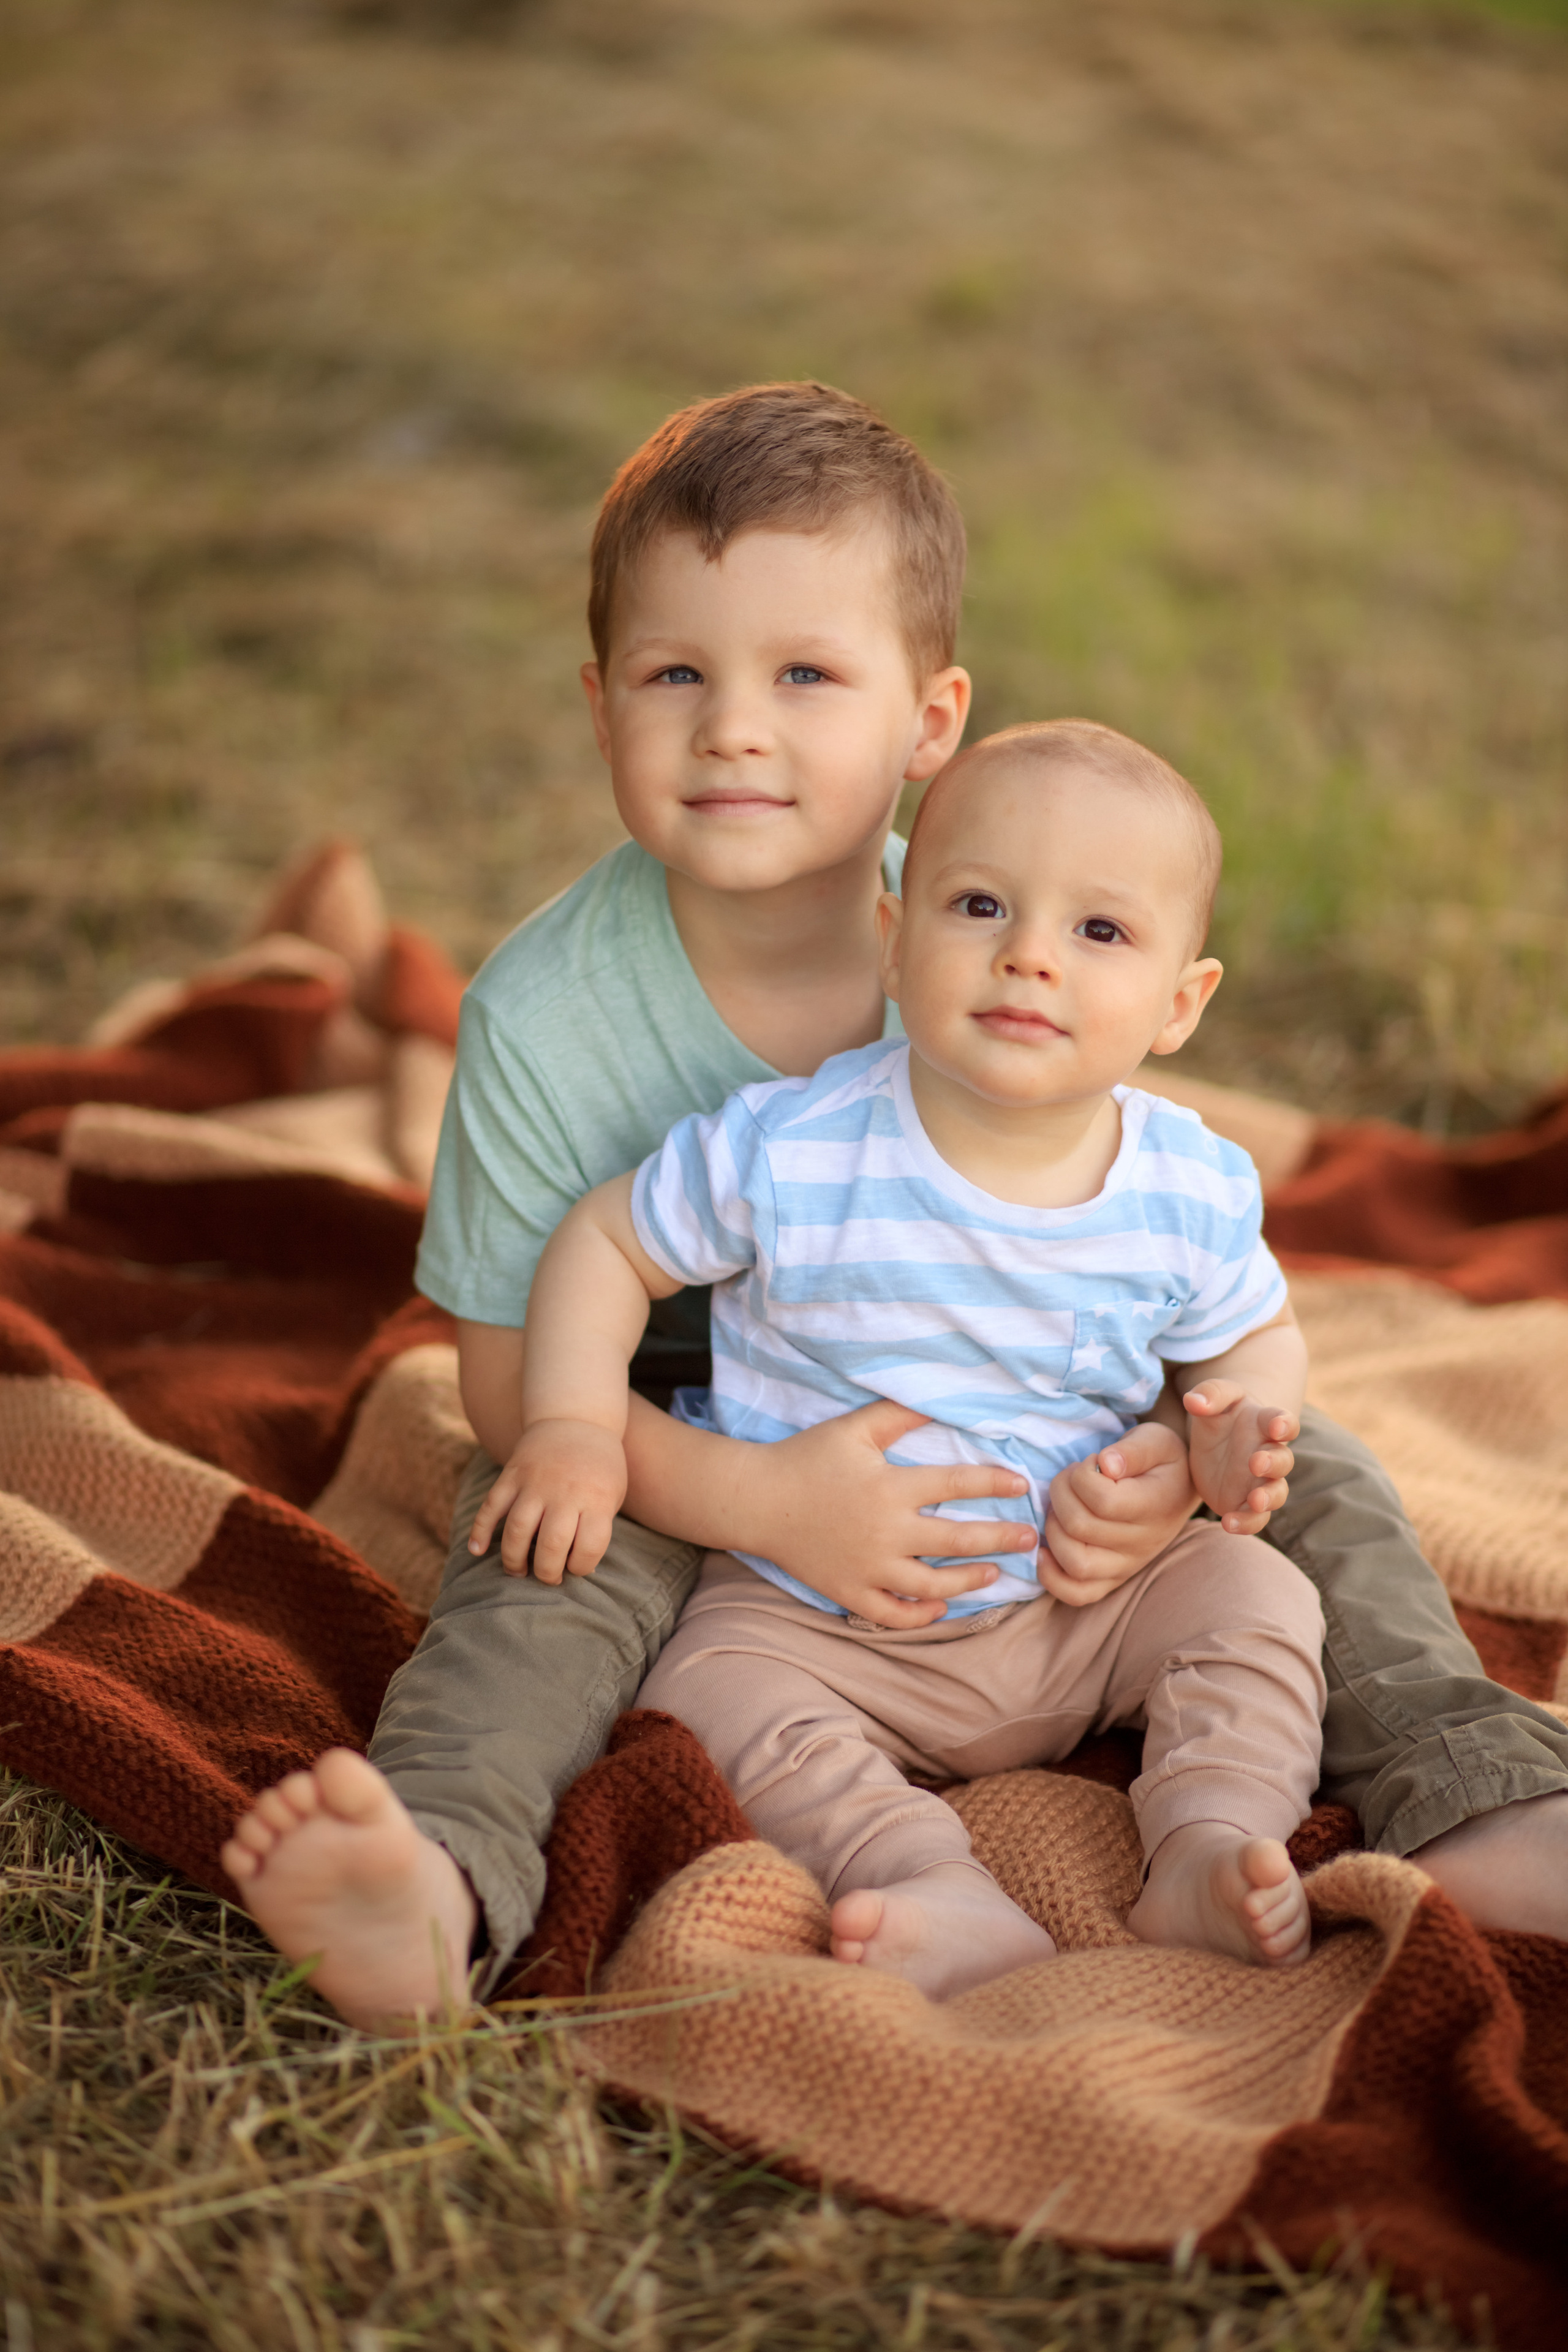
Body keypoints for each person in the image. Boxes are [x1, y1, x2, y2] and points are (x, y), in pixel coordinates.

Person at [221, 382, 1568, 2028]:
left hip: (1028, 1427)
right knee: (540, 1560)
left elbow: (1129, 1231)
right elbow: (515, 1391)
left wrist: (1169, 1463)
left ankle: (1473, 1790)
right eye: (675, 675)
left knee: (1317, 1485)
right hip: (669, 1417)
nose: (733, 728)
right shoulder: (545, 1015)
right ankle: (435, 1872)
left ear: (930, 725)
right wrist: (757, 1499)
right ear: (599, 703)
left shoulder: (992, 918)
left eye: (804, 675)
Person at [493, 720, 1329, 1997]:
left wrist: (1215, 1441)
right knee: (710, 1685)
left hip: (1086, 1603)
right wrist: (566, 1425)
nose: (1030, 955)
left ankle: (1209, 1837)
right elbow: (605, 1241)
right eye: (980, 905)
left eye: (1099, 930)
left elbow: (1254, 1338)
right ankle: (919, 1874)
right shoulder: (796, 1148)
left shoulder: (1186, 1186)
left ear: (1179, 1003)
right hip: (822, 1616)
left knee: (1259, 1599)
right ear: (892, 938)